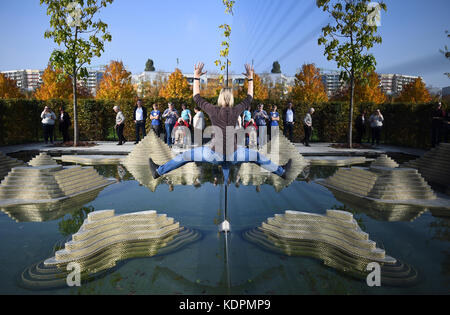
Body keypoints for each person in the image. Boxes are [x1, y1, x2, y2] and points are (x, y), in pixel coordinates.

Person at [149, 62, 292, 179]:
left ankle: (158, 171)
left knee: (185, 156)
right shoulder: (236, 110)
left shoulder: (213, 110)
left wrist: (196, 77)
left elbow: (196, 97)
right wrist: (250, 78)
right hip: (233, 154)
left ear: (220, 98)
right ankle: (282, 172)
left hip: (215, 155)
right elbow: (250, 97)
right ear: (231, 99)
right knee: (258, 157)